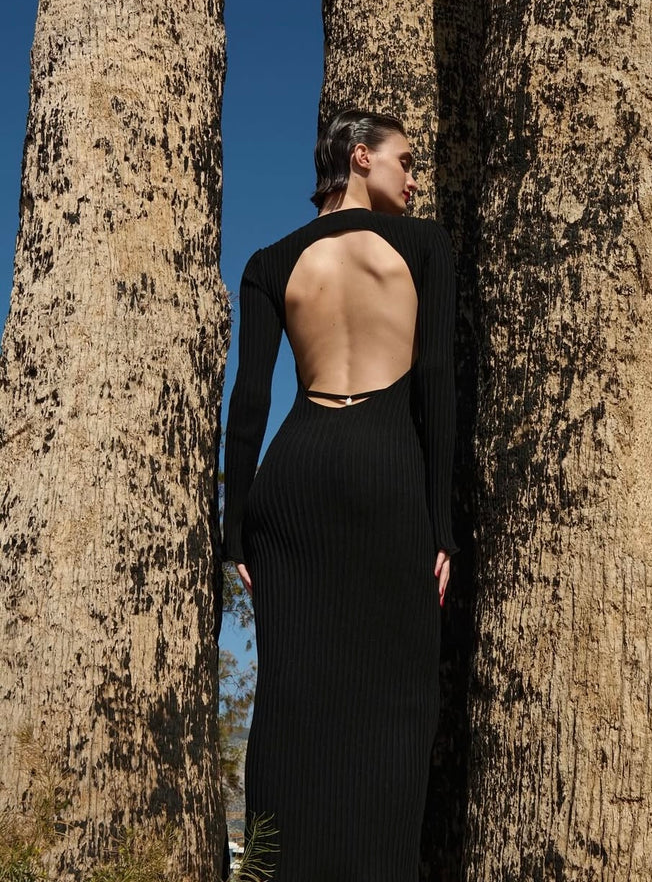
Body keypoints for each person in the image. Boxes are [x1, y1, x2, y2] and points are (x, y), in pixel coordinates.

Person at [222, 109, 457, 880]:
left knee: (290, 699)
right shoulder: (423, 246)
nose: (413, 180)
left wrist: (234, 530)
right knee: (396, 703)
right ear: (360, 157)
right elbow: (435, 384)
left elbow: (249, 402)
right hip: (384, 467)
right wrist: (442, 527)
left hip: (294, 471)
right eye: (404, 162)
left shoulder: (269, 262)